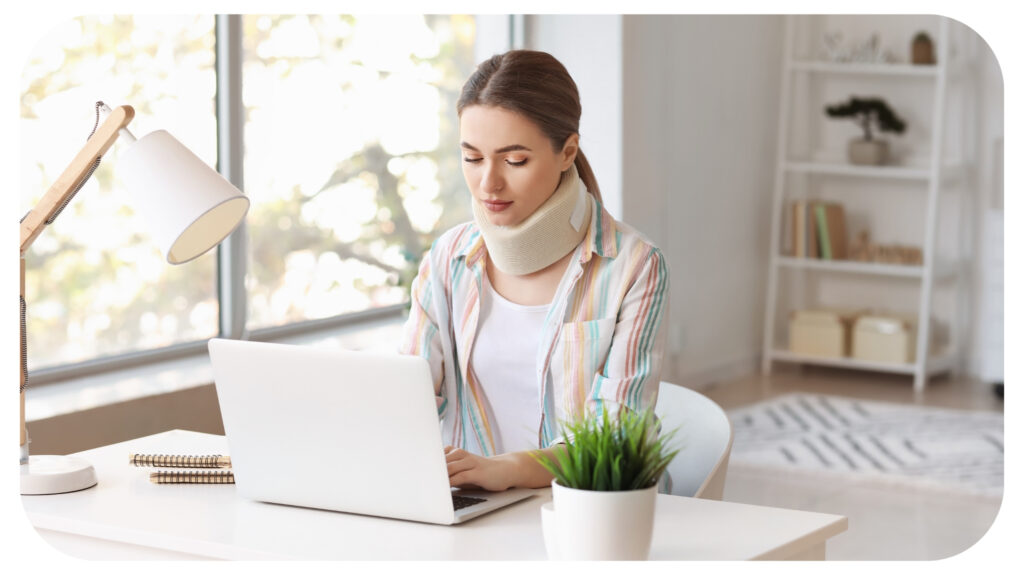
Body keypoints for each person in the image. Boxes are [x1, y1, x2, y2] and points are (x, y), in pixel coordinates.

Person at [400, 50, 670, 492]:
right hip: (468, 508)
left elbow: (619, 440)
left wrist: (509, 471)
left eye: (515, 160)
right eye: (471, 158)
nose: (489, 183)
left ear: (567, 152)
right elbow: (404, 397)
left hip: (587, 513)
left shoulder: (633, 267)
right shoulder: (448, 258)